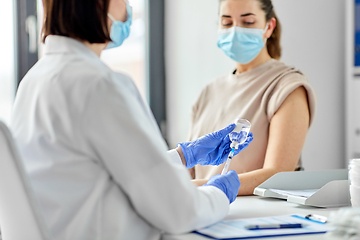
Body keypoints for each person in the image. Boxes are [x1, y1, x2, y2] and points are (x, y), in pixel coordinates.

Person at [9, 0, 253, 239]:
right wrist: (219, 193)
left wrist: (184, 155)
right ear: (97, 5)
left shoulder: (34, 80)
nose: (128, 7)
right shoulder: (100, 85)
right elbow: (178, 211)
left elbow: (91, 170)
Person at [188, 0, 316, 196]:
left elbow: (278, 174)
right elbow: (189, 168)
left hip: (253, 216)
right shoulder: (209, 91)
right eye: (227, 23)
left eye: (247, 22)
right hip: (201, 210)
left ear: (269, 27)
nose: (235, 31)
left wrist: (206, 187)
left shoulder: (287, 86)